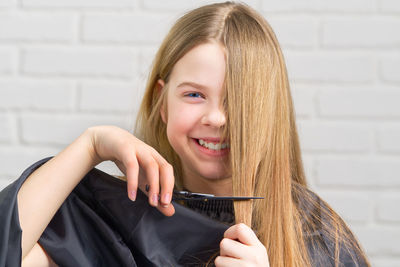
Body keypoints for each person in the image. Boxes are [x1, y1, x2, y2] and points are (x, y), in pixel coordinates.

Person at [0, 2, 370, 267]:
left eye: (239, 100)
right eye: (194, 94)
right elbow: (8, 252)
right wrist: (91, 145)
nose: (216, 118)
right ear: (162, 102)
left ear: (268, 113)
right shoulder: (110, 217)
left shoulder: (319, 238)